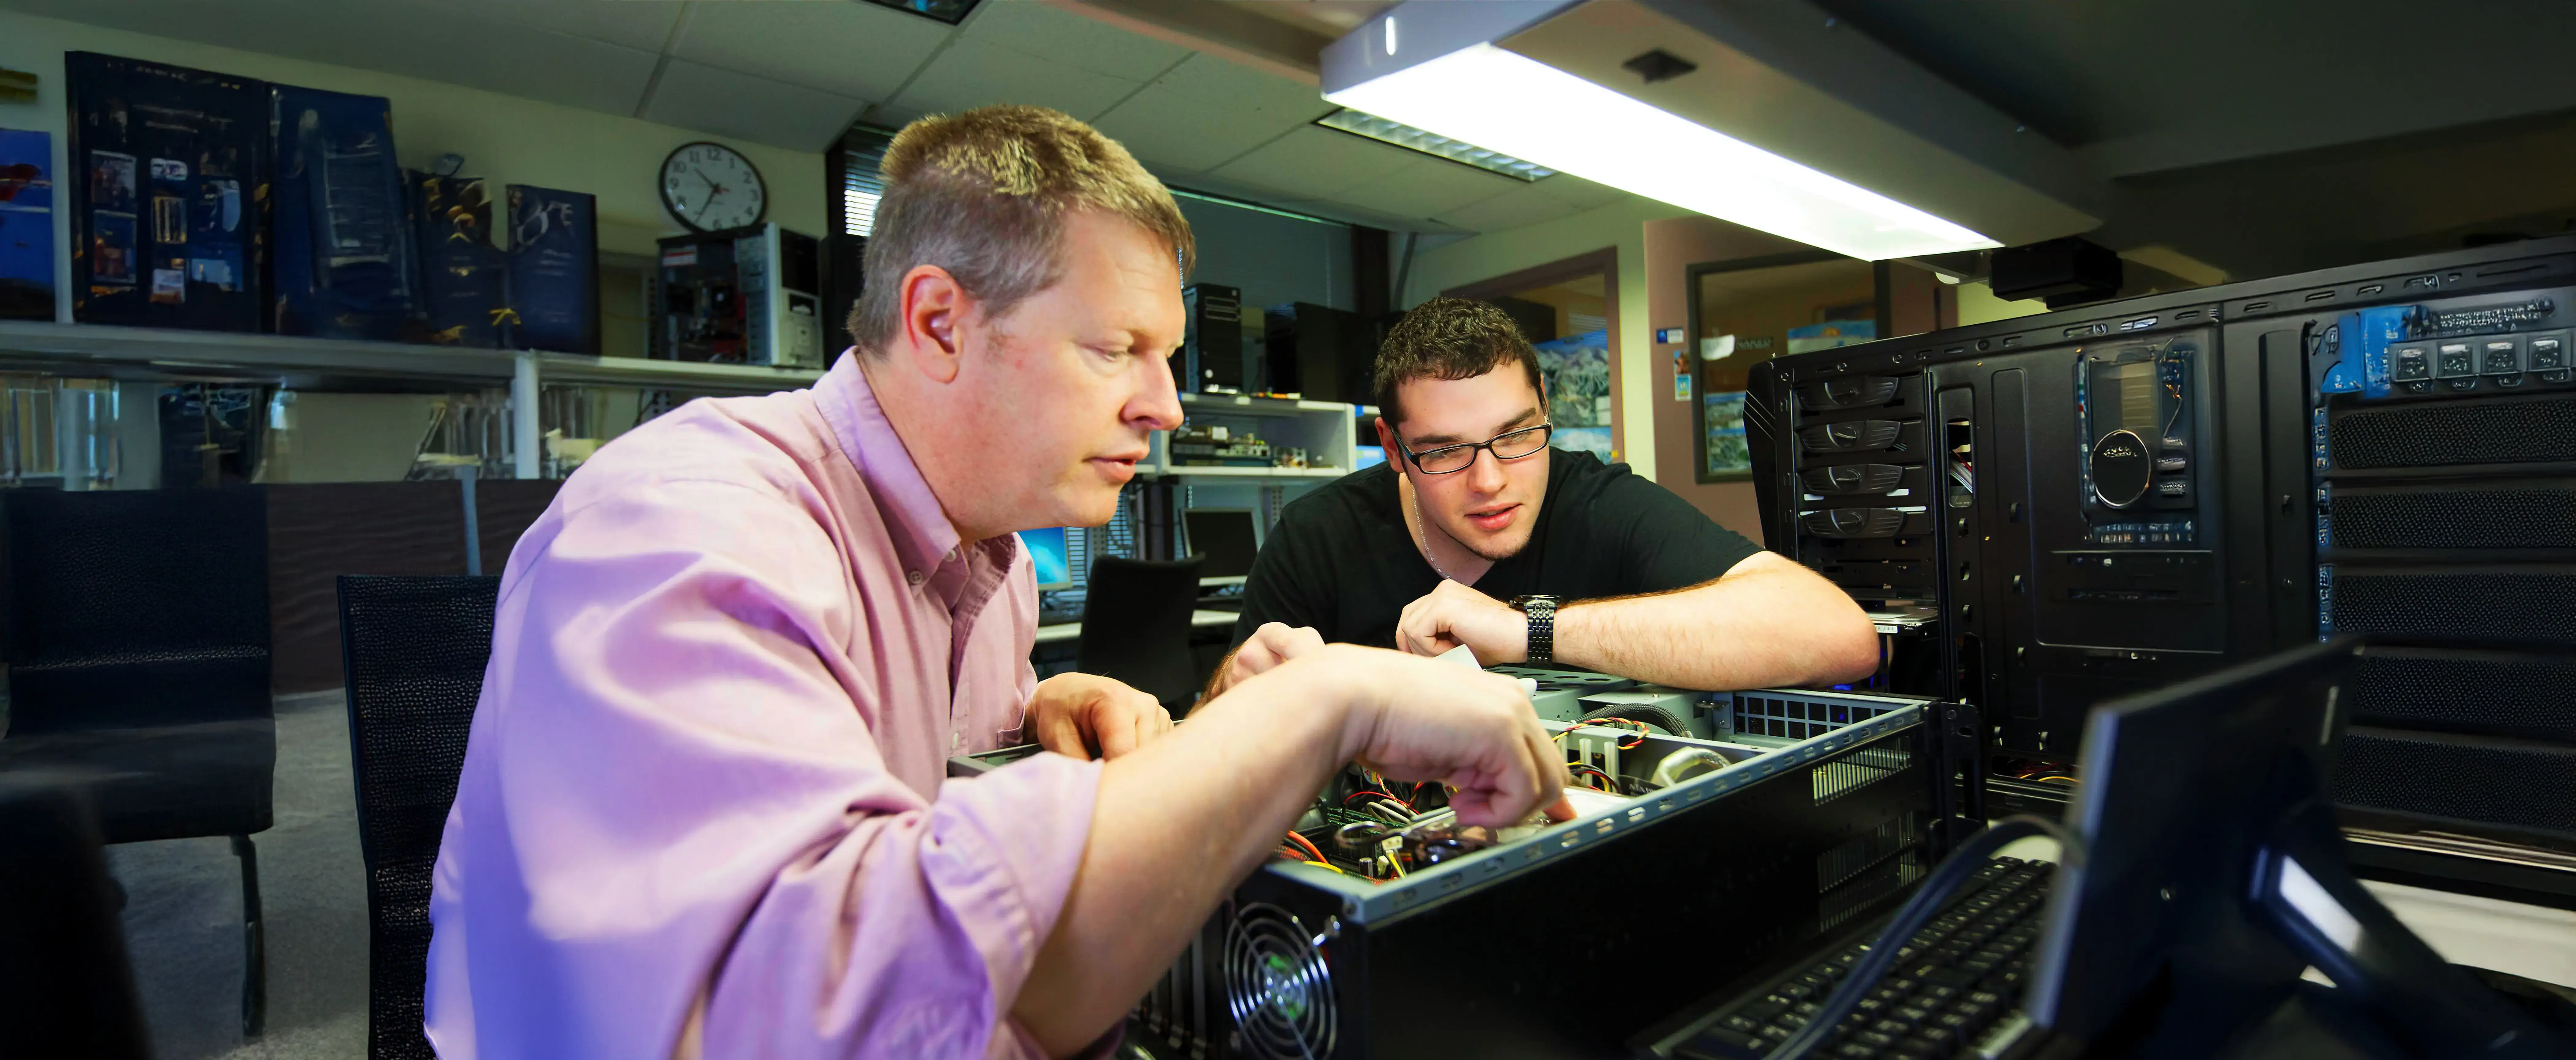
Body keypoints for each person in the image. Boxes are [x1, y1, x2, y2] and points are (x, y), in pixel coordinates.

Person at [424, 107, 1569, 1060]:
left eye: (1167, 356)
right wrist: (1321, 708)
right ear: (938, 321)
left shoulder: (994, 558)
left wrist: (1028, 722)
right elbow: (824, 1020)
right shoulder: (685, 520)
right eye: (1117, 348)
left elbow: (910, 808)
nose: (1165, 406)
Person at [1211, 297, 1879, 698]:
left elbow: (1840, 636)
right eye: (1444, 451)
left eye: (1516, 436)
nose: (1491, 480)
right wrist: (1234, 690)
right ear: (1392, 448)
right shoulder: (1318, 537)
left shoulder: (1596, 502)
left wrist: (1527, 630)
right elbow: (1215, 732)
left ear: (1545, 411)